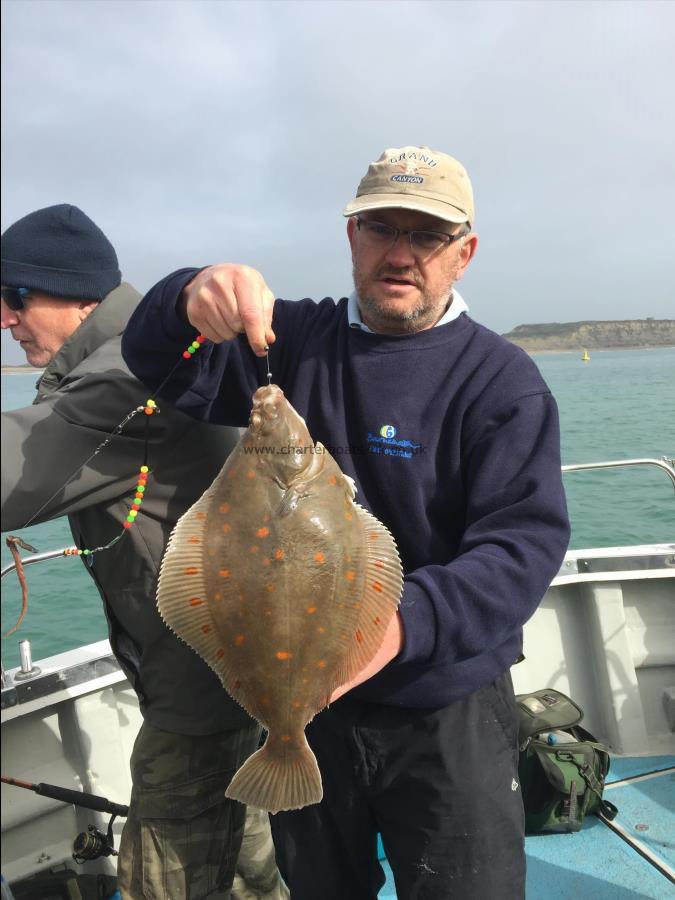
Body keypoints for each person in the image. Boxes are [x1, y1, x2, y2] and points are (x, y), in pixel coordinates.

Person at [120, 146, 571, 900]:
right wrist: (186, 295)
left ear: (463, 254)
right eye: (379, 228)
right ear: (351, 237)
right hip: (310, 710)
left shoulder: (500, 381)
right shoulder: (288, 341)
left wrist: (394, 629)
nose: (399, 254)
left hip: (444, 705)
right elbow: (158, 364)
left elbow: (522, 547)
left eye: (425, 236)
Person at [1, 204, 288, 900]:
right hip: (239, 670)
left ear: (79, 296)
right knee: (251, 858)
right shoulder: (126, 352)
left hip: (199, 687)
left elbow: (16, 476)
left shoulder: (126, 373)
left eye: (15, 299)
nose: (6, 320)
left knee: (167, 877)